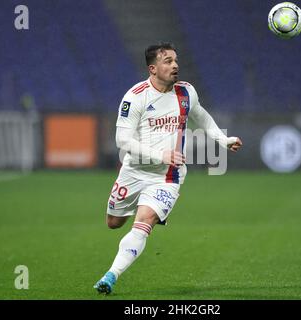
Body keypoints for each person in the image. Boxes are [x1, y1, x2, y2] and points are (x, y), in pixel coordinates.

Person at [94, 42, 242, 294]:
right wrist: (159, 154)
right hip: (134, 171)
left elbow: (202, 117)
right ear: (152, 68)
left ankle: (111, 275)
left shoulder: (186, 92)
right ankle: (142, 216)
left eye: (175, 60)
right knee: (113, 222)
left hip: (168, 176)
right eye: (167, 61)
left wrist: (222, 140)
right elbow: (123, 141)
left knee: (144, 222)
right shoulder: (135, 97)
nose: (175, 65)